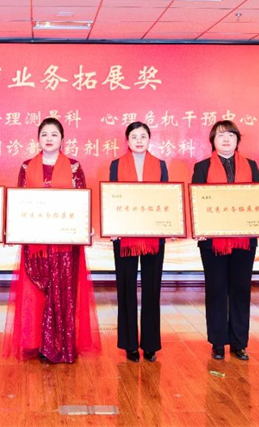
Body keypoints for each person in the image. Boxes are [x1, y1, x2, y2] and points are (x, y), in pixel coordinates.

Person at [3, 117, 101, 364]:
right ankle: (39, 344)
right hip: (36, 243)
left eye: (54, 134)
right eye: (44, 134)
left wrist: (84, 226)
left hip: (65, 243)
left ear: (62, 139)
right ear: (38, 139)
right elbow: (20, 202)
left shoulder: (75, 167)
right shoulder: (26, 167)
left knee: (64, 292)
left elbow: (81, 202)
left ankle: (62, 345)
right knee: (36, 293)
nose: (49, 138)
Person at [191, 120, 259, 361]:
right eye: (220, 135)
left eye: (231, 135)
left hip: (244, 240)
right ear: (212, 141)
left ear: (237, 139)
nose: (226, 139)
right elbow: (196, 201)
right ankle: (218, 342)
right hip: (212, 241)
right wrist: (199, 226)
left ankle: (240, 343)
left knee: (241, 289)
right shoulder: (202, 167)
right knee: (216, 289)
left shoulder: (251, 166)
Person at [108, 121, 169, 363]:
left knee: (152, 289)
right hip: (125, 235)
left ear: (149, 139)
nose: (139, 140)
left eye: (143, 136)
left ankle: (150, 344)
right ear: (127, 140)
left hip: (153, 235)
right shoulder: (116, 165)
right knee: (126, 289)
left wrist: (169, 225)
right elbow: (112, 198)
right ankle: (130, 344)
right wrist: (112, 227)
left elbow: (166, 198)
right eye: (134, 136)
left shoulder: (160, 165)